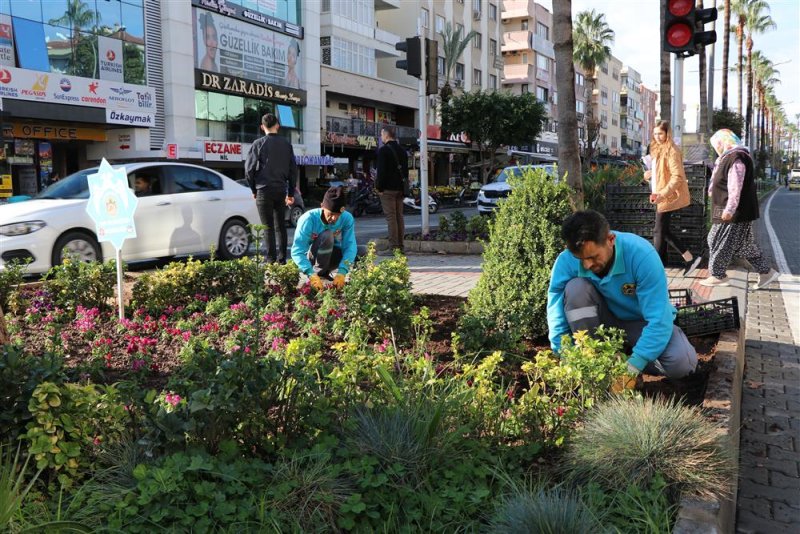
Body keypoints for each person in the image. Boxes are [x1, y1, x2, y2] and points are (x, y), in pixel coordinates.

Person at [547, 210, 697, 387]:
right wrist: (564, 352)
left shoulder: (641, 256)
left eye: (593, 257)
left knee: (682, 363)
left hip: (639, 324)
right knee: (575, 289)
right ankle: (599, 359)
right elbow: (555, 304)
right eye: (580, 259)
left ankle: (626, 358)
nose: (587, 265)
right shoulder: (566, 261)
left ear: (610, 240)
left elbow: (659, 319)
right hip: (602, 325)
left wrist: (633, 367)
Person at [701, 129, 779, 289]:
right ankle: (766, 273)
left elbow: (735, 186)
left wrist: (730, 209)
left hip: (734, 211)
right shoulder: (726, 157)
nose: (716, 147)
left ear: (724, 142)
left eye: (717, 144)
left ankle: (718, 275)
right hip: (726, 209)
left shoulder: (737, 158)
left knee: (717, 239)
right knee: (743, 246)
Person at [643, 120, 701, 274]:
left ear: (667, 133)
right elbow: (662, 172)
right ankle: (689, 258)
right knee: (663, 231)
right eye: (655, 134)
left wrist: (662, 194)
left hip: (667, 196)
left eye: (660, 133)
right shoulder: (659, 149)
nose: (657, 136)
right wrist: (649, 175)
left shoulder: (672, 151)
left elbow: (677, 177)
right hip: (660, 194)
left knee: (658, 231)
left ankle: (657, 267)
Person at [245, 113, 297, 264]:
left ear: (262, 127)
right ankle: (282, 260)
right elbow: (293, 170)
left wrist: (253, 189)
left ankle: (271, 260)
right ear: (277, 126)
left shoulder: (258, 143)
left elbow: (248, 170)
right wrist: (291, 192)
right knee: (280, 225)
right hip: (280, 189)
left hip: (263, 189)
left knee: (267, 227)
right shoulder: (287, 145)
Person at [291, 186, 361, 290]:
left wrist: (342, 272)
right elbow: (297, 251)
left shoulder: (347, 218)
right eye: (331, 214)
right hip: (314, 259)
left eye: (338, 215)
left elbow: (349, 245)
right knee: (327, 235)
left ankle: (357, 286)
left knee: (363, 251)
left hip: (332, 256)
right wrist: (311, 274)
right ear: (322, 206)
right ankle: (319, 275)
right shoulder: (308, 219)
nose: (334, 218)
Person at [375, 125, 408, 254]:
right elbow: (405, 171)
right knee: (399, 217)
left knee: (391, 218)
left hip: (388, 190)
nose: (381, 137)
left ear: (387, 135)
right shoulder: (402, 150)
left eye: (382, 134)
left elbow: (381, 172)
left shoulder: (384, 150)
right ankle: (400, 246)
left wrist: (379, 188)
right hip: (400, 189)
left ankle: (393, 247)